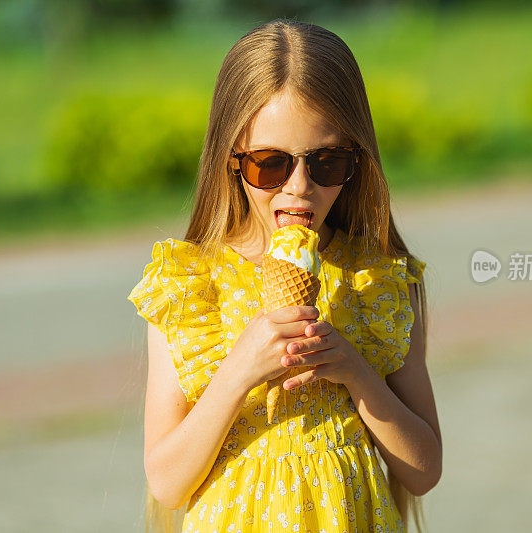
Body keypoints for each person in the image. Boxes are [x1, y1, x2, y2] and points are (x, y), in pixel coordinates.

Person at [127, 18, 442, 533]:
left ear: (356, 161)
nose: (299, 188)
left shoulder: (375, 280)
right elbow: (167, 482)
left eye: (328, 162)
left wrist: (357, 374)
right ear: (231, 161)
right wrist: (240, 370)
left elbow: (424, 469)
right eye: (269, 164)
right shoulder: (189, 284)